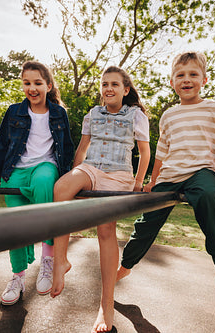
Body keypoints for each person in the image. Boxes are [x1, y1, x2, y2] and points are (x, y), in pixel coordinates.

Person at [116, 51, 215, 318]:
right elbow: (162, 152)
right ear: (172, 82)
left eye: (193, 74)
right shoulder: (168, 115)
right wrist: (153, 181)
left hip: (202, 172)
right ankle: (126, 264)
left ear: (204, 79)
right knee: (146, 222)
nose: (186, 80)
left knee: (211, 201)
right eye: (180, 75)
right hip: (170, 176)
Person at [50, 66, 150, 332]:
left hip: (119, 175)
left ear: (125, 90)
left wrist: (138, 182)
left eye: (115, 84)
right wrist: (75, 173)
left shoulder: (136, 116)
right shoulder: (92, 114)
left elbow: (144, 152)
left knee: (106, 230)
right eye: (105, 84)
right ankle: (61, 260)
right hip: (92, 168)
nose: (108, 88)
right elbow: (83, 148)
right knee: (61, 188)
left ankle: (105, 306)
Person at [0, 61, 74, 305]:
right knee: (15, 224)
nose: (32, 88)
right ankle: (17, 277)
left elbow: (68, 148)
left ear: (48, 86)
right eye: (27, 83)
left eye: (38, 83)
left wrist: (69, 178)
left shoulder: (59, 113)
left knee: (43, 183)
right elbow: (1, 147)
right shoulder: (14, 112)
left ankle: (48, 261)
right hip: (16, 169)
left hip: (45, 166)